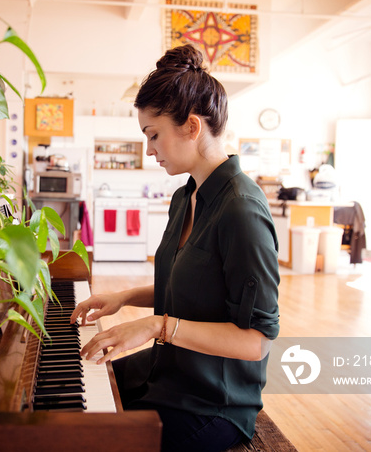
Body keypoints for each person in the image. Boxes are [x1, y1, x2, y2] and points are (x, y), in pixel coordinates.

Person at [70, 44, 280, 452]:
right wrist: (125, 297)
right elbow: (192, 288)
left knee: (92, 438)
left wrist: (156, 325)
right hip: (169, 371)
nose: (149, 149)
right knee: (77, 387)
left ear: (191, 126)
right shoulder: (185, 197)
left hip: (214, 402)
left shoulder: (242, 210)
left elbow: (257, 340)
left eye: (153, 135)